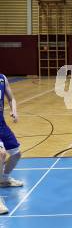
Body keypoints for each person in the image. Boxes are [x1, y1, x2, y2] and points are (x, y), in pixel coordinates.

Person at [0, 74, 23, 214]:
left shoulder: (2, 78)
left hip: (1, 124)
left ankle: (3, 178)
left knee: (16, 154)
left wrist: (14, 111)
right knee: (1, 154)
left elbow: (11, 98)